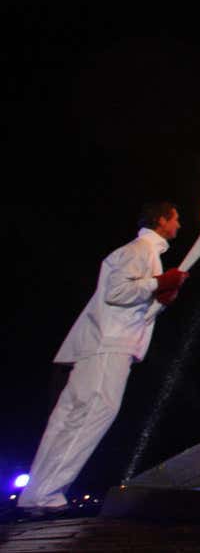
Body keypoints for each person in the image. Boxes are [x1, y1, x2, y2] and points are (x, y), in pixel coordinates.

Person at [17, 202, 188, 515]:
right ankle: (46, 495)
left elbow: (127, 303)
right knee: (91, 415)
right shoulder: (140, 250)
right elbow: (117, 293)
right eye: (175, 218)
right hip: (109, 347)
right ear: (162, 220)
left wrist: (161, 299)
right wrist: (157, 285)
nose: (179, 224)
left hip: (101, 346)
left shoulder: (144, 252)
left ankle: (36, 495)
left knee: (68, 420)